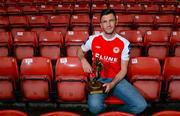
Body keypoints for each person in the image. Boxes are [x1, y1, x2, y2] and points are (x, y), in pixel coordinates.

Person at [77, 9, 147, 115]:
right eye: (105, 22)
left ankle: (114, 114)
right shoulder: (93, 39)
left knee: (141, 105)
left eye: (111, 20)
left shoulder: (124, 43)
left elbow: (124, 70)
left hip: (117, 80)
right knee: (94, 108)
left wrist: (112, 84)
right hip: (98, 80)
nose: (108, 24)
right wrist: (83, 60)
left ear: (116, 22)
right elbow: (79, 51)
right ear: (101, 25)